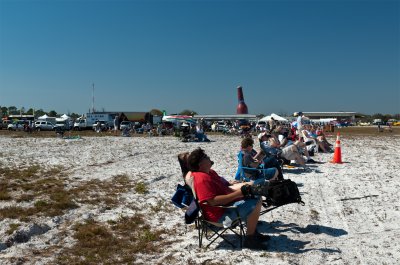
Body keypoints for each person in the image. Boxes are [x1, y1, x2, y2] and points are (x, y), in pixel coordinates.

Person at [187, 148, 270, 250]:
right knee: (256, 200)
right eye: (205, 157)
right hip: (220, 216)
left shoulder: (210, 172)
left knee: (256, 193)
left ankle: (252, 232)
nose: (208, 157)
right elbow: (213, 201)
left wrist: (235, 188)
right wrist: (238, 193)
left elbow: (221, 186)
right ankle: (250, 239)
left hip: (226, 206)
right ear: (200, 164)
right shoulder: (202, 179)